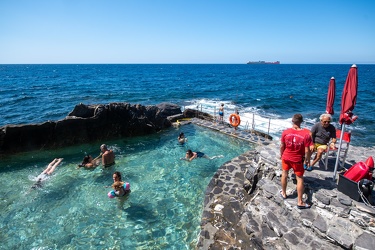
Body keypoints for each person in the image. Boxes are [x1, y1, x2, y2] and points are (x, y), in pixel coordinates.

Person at [280, 114, 313, 209]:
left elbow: (282, 145)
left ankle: (284, 193)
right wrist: (307, 160)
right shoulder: (305, 135)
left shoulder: (285, 132)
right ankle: (300, 201)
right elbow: (307, 150)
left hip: (286, 157)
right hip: (297, 159)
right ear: (301, 122)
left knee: (284, 174)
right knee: (300, 178)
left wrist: (281, 154)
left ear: (292, 121)